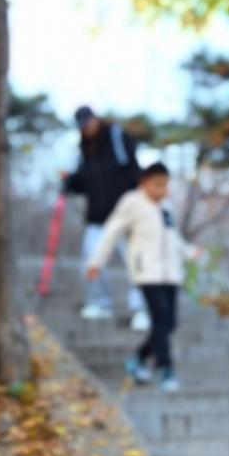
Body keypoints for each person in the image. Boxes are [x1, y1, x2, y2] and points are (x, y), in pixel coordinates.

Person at [86, 161, 191, 392]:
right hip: (147, 273)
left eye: (166, 185)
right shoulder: (132, 203)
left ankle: (139, 359)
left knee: (170, 323)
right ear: (144, 182)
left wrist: (189, 251)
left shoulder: (166, 207)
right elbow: (111, 232)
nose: (163, 190)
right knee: (160, 320)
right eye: (158, 184)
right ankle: (166, 369)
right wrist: (96, 262)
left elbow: (173, 238)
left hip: (170, 273)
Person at [62, 106, 142, 322]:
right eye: (81, 126)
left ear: (95, 119)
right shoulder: (83, 149)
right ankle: (100, 303)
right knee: (91, 259)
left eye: (88, 123)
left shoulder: (117, 137)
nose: (85, 129)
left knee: (135, 260)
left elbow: (134, 170)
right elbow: (81, 184)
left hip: (124, 214)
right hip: (96, 216)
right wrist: (68, 181)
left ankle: (142, 309)